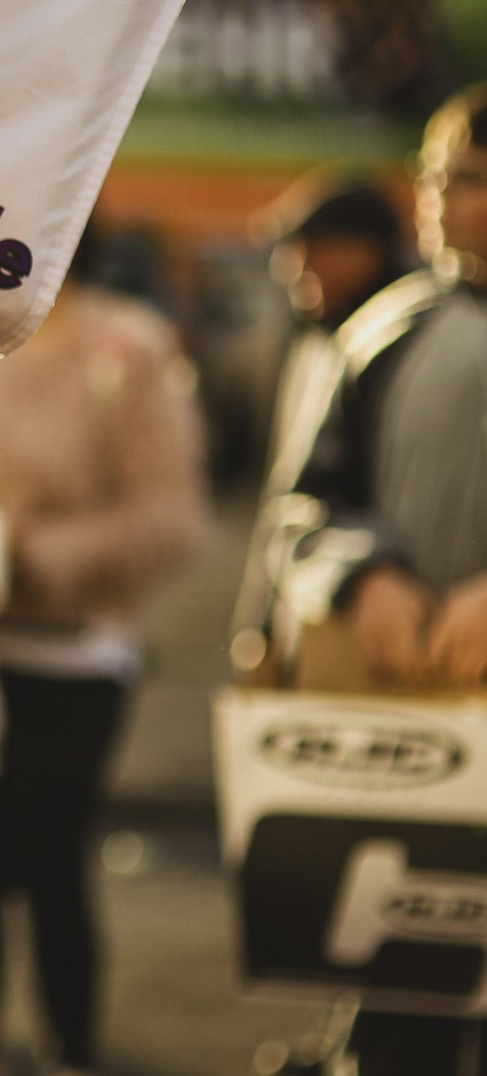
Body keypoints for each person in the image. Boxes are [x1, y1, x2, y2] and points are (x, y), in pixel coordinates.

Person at [0, 229, 207, 1076]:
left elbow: (171, 520)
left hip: (79, 653)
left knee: (49, 860)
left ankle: (71, 1050)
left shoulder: (125, 344)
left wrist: (39, 549)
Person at [299, 86, 487, 1076]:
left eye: (465, 178)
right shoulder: (383, 333)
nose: (435, 197)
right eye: (430, 173)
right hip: (408, 741)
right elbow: (304, 511)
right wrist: (362, 575)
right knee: (396, 1026)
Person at [228, 174, 424, 682]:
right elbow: (290, 502)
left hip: (401, 629)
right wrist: (260, 627)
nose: (290, 267)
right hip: (320, 618)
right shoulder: (316, 342)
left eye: (308, 248)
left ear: (361, 252)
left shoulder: (411, 347)